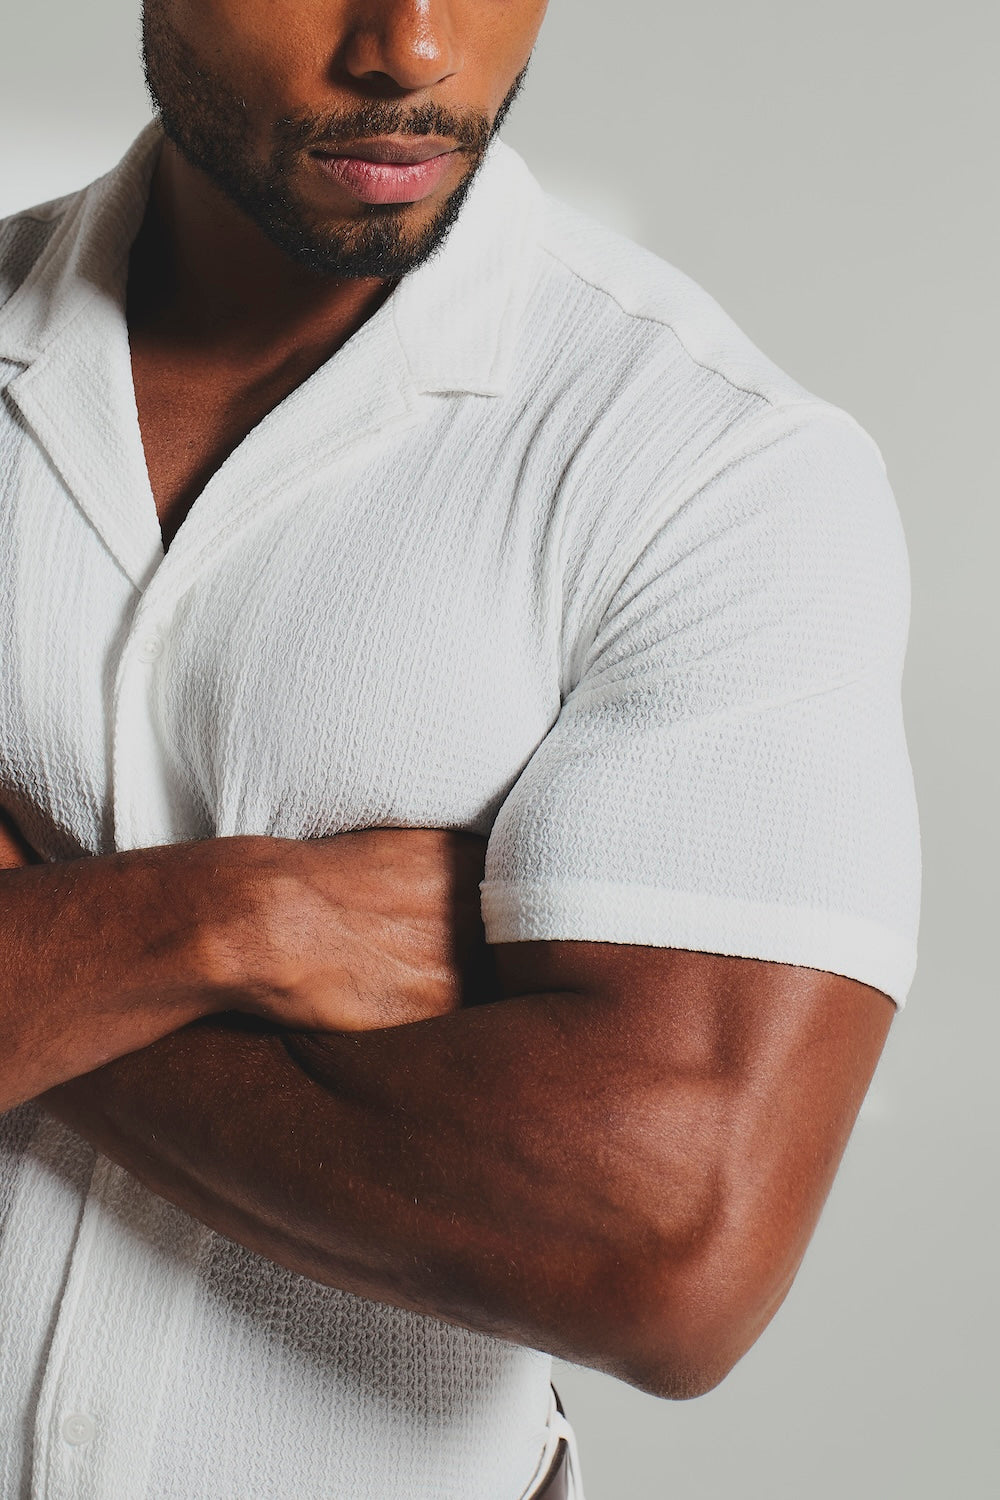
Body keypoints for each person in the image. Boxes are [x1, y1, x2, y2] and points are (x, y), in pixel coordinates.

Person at [0, 1, 921, 1497]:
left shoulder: (713, 466)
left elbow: (665, 1251)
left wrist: (50, 962)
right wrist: (234, 921)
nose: (415, 50)